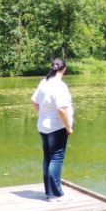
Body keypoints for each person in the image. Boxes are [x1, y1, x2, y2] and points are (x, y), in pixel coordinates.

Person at [31, 58, 74, 201]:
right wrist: (68, 127)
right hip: (57, 127)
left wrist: (43, 114)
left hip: (43, 126)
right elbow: (61, 110)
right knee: (56, 158)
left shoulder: (44, 82)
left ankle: (49, 193)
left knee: (48, 158)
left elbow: (34, 102)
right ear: (64, 69)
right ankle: (57, 195)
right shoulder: (60, 86)